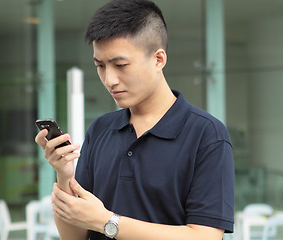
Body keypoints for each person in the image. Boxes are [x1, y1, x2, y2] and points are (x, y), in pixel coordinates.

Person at [35, 0, 235, 239]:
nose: (109, 79)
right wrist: (65, 175)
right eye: (100, 66)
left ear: (159, 59)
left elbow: (206, 236)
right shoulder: (100, 130)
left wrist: (106, 221)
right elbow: (74, 237)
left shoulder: (206, 134)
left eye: (120, 65)